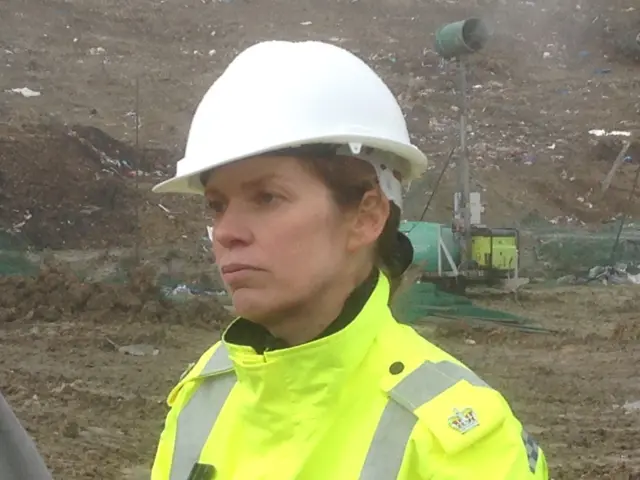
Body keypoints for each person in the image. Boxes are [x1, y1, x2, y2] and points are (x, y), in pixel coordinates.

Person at [150, 40, 549, 480]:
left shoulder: (460, 441)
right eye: (216, 205)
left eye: (266, 197)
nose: (226, 232)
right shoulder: (200, 399)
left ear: (367, 216)